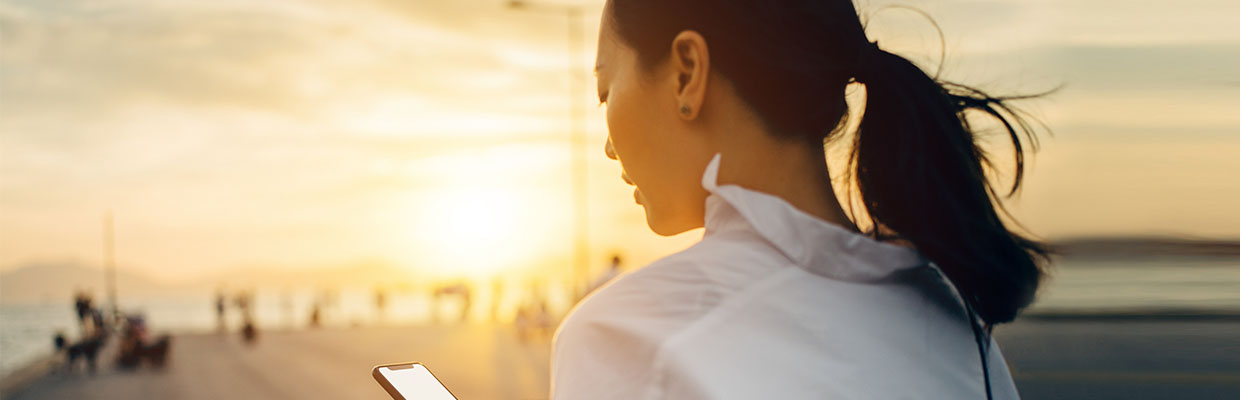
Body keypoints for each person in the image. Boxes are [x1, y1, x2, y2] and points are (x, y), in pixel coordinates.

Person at [551, 1, 1049, 399]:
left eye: (603, 91)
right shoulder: (952, 315)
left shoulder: (623, 335)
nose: (609, 145)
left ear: (687, 72)